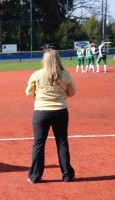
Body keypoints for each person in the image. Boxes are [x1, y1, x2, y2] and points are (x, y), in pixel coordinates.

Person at [25, 49, 76, 184]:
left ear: (44, 61)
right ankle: (67, 175)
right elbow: (72, 92)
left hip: (41, 112)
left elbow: (29, 94)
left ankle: (35, 176)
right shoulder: (65, 75)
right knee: (62, 142)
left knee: (39, 143)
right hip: (60, 111)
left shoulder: (36, 75)